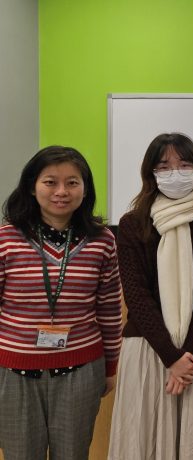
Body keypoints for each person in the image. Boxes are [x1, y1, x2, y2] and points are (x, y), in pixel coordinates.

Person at [108, 133, 193, 459]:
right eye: (164, 166)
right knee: (143, 440)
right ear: (150, 174)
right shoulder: (132, 224)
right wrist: (171, 357)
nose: (175, 172)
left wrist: (185, 356)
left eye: (184, 164)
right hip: (149, 348)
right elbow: (136, 296)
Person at [0, 146, 123, 459]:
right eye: (50, 182)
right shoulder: (7, 238)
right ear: (32, 186)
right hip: (13, 371)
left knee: (73, 454)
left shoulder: (103, 240)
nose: (61, 191)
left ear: (85, 188)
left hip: (81, 370)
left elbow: (108, 309)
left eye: (72, 182)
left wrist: (111, 366)